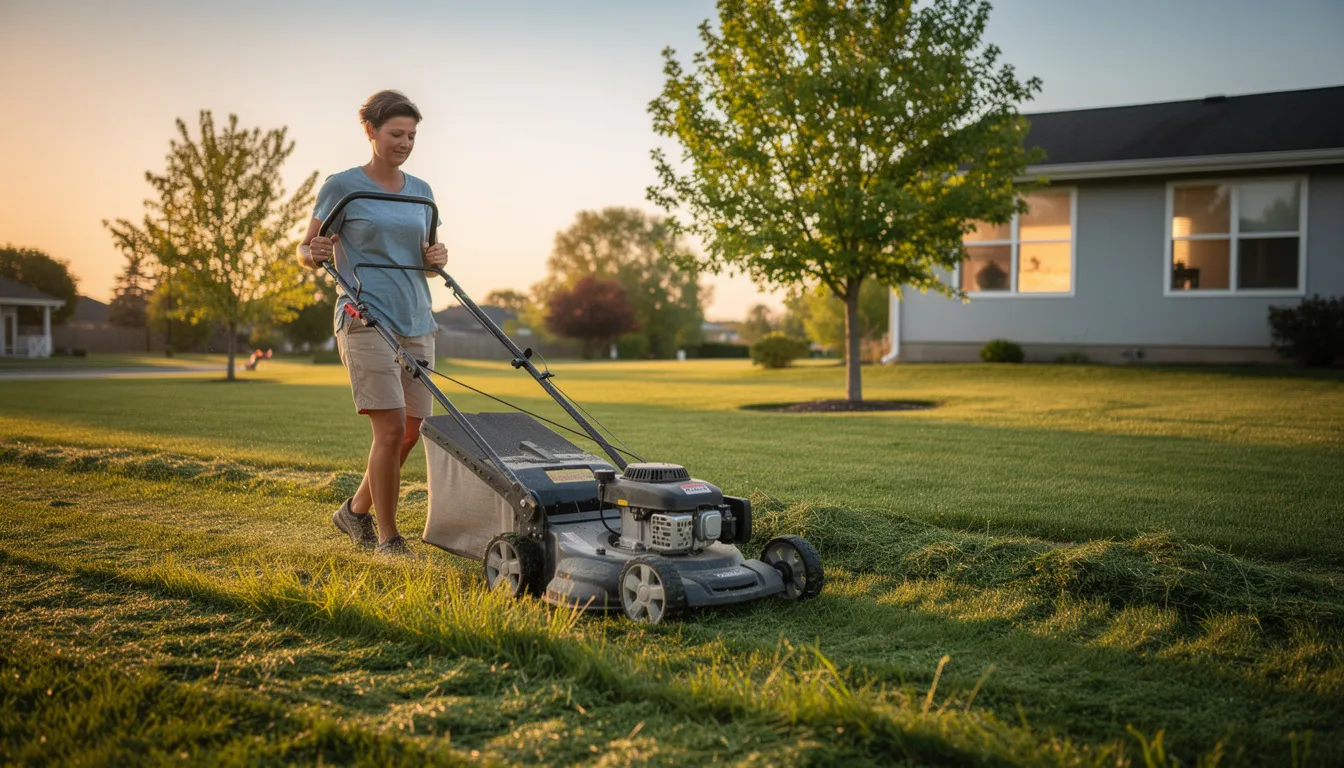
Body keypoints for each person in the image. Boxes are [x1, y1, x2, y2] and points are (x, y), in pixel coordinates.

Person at [297, 90, 448, 556]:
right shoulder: (342, 186)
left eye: (412, 135)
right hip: (364, 317)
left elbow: (427, 259)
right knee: (388, 429)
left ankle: (353, 512)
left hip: (417, 319)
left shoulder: (422, 191)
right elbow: (306, 249)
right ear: (371, 131)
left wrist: (438, 258)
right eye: (396, 133)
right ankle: (388, 538)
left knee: (411, 429)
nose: (405, 142)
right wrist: (312, 252)